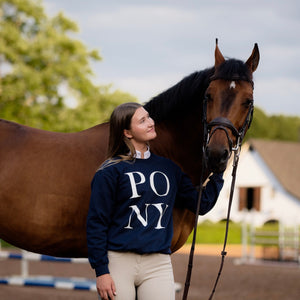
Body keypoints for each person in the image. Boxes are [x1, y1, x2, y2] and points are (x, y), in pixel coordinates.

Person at [86, 102, 224, 300]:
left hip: (158, 264)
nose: (151, 123)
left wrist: (218, 173)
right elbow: (96, 223)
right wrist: (101, 272)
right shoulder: (109, 171)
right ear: (127, 132)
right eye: (142, 121)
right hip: (118, 262)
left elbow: (200, 204)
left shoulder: (169, 168)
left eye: (149, 117)